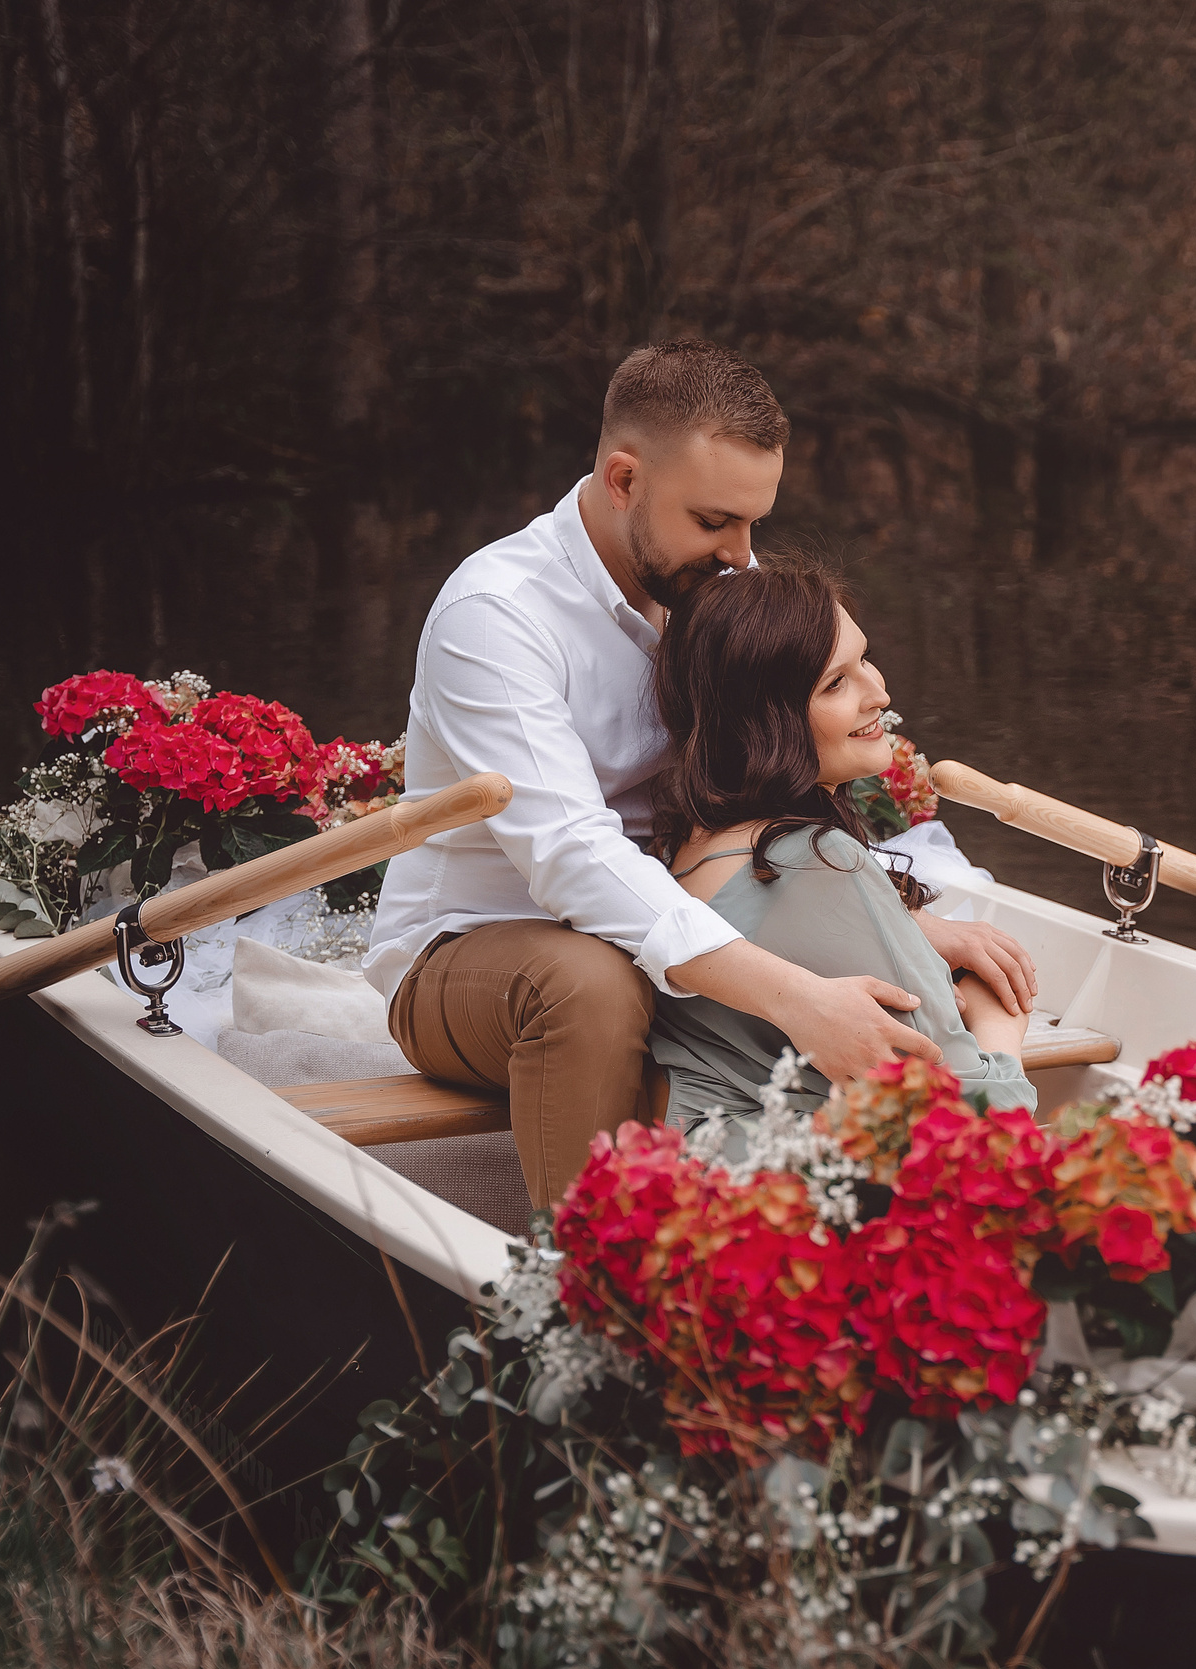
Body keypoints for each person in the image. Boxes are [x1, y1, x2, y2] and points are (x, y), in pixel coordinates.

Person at [363, 341, 1035, 1207]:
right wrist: (799, 996)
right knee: (591, 985)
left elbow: (754, 780)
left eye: (754, 522)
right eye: (715, 522)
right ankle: (584, 1285)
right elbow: (570, 858)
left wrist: (887, 921)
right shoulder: (496, 616)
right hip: (479, 949)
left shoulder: (714, 578)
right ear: (623, 480)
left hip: (668, 915)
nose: (741, 554)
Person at [645, 554, 1034, 1150]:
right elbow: (979, 1131)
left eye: (863, 661)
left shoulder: (678, 854)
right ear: (764, 719)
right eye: (836, 683)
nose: (879, 691)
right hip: (813, 1207)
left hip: (714, 1185)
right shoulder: (814, 861)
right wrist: (998, 1024)